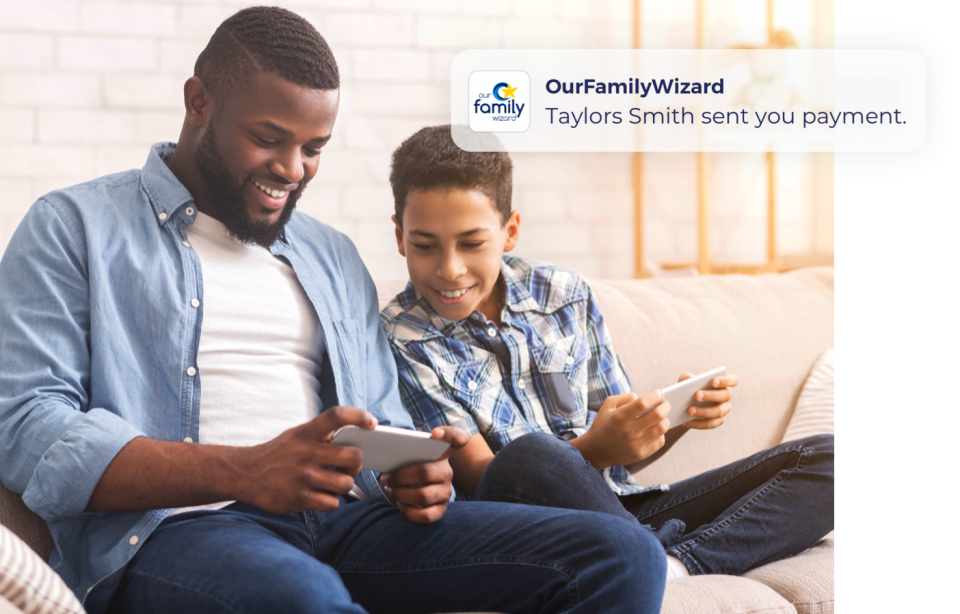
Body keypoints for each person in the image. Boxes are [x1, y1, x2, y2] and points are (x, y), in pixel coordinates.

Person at [0, 8, 669, 614]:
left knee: (619, 554)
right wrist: (244, 470)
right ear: (199, 102)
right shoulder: (74, 227)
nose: (292, 169)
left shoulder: (330, 254)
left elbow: (384, 420)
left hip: (349, 521)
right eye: (269, 138)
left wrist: (411, 472)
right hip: (182, 529)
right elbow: (26, 427)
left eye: (314, 148)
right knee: (306, 601)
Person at [380, 124, 836, 580]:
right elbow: (487, 480)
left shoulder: (565, 295)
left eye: (472, 243)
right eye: (425, 246)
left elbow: (623, 453)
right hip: (532, 529)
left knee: (842, 458)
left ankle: (674, 565)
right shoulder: (401, 336)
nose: (450, 268)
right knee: (528, 456)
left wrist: (666, 421)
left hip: (627, 509)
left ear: (510, 231)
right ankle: (647, 556)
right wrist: (594, 448)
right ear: (400, 236)